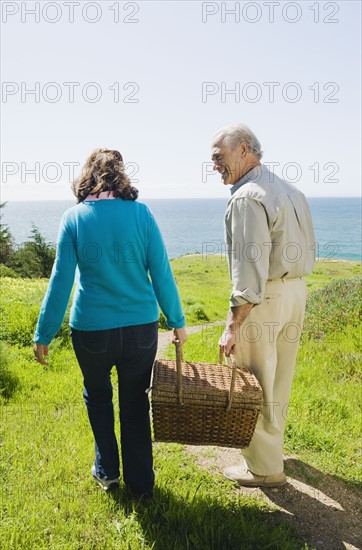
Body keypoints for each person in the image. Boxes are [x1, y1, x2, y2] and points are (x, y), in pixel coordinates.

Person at [33, 148, 187, 497]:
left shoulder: (74, 218)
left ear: (86, 176)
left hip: (91, 332)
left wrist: (44, 331)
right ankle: (141, 484)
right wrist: (177, 321)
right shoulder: (142, 214)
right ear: (121, 176)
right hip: (140, 330)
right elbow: (161, 271)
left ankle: (107, 472)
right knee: (134, 401)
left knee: (98, 395)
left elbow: (61, 280)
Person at [212, 124, 315, 487]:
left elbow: (249, 265)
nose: (214, 166)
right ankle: (272, 454)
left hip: (264, 299)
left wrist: (232, 324)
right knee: (279, 380)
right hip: (296, 292)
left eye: (218, 157)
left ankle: (264, 468)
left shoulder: (246, 196)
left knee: (254, 382)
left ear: (243, 150)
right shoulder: (290, 189)